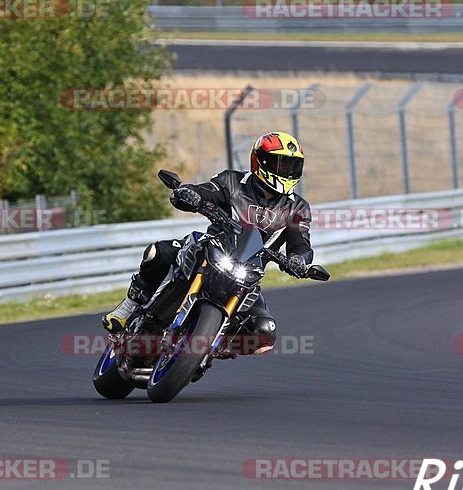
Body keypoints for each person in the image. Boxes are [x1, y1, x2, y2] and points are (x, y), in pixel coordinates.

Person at [102, 131, 314, 355]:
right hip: (213, 247)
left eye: (292, 166)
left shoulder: (297, 208)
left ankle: (212, 346)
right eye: (280, 164)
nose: (286, 171)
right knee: (158, 252)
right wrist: (189, 194)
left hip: (248, 270)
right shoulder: (232, 181)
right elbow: (205, 191)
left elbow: (301, 243)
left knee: (264, 332)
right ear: (260, 161)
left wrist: (299, 260)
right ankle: (126, 309)